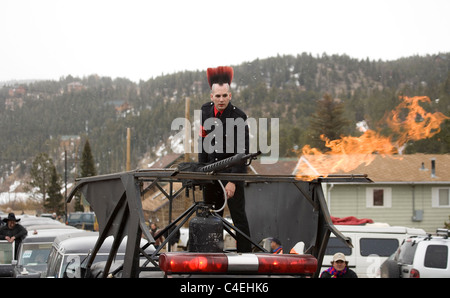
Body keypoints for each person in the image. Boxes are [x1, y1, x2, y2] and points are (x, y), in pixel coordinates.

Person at [198, 66, 252, 253]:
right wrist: (201, 171)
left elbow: (242, 152)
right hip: (211, 171)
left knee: (238, 215)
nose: (221, 100)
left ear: (230, 96)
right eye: (217, 96)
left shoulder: (239, 116)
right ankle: (212, 253)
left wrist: (232, 181)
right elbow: (203, 141)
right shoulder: (205, 111)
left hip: (232, 172)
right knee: (212, 216)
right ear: (211, 96)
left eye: (224, 96)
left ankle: (245, 253)